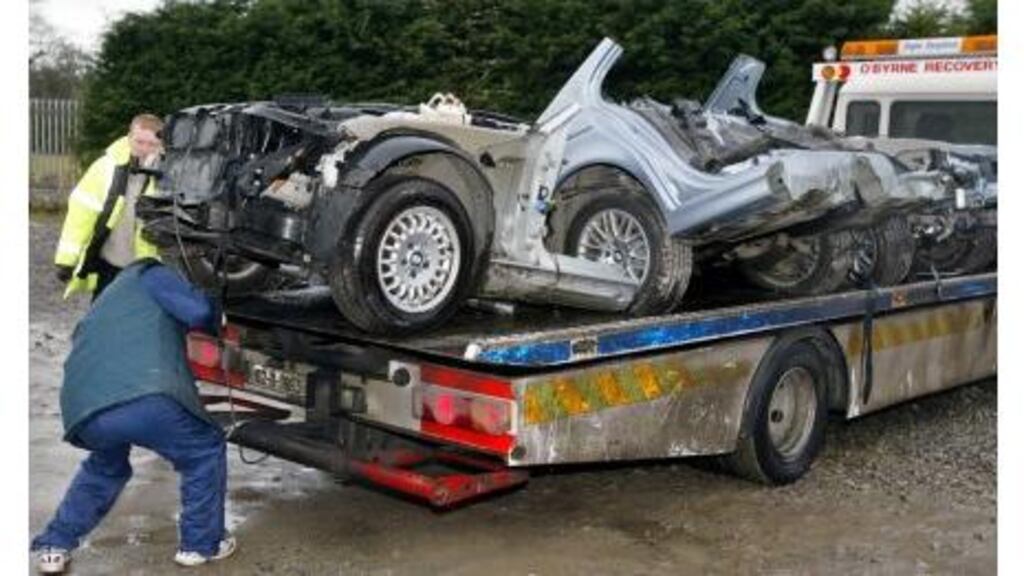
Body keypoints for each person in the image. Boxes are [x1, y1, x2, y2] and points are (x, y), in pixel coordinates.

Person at [31, 258, 235, 574]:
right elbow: (198, 312)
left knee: (104, 467)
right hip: (145, 396)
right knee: (204, 450)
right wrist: (214, 309)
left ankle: (55, 545)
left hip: (84, 406)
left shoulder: (110, 297)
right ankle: (200, 544)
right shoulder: (151, 274)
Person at [54, 114, 165, 301]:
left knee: (139, 324)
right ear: (129, 137)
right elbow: (81, 214)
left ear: (161, 144)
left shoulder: (171, 174)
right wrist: (66, 260)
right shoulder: (104, 168)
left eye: (152, 144)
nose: (145, 149)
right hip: (110, 263)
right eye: (139, 142)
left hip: (149, 269)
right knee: (101, 319)